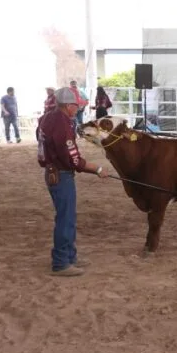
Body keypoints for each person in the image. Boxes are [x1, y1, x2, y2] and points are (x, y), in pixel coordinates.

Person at [37, 87, 110, 276]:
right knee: (66, 218)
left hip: (54, 172)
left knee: (66, 217)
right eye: (76, 106)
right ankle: (61, 262)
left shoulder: (47, 118)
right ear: (68, 105)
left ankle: (70, 257)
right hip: (61, 174)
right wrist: (97, 169)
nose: (78, 109)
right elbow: (73, 160)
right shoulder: (63, 125)